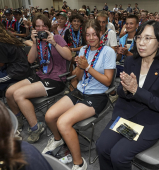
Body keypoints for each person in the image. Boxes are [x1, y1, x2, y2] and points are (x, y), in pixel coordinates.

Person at [96, 20, 159, 170]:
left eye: (147, 38)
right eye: (139, 37)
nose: (141, 43)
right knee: (102, 147)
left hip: (149, 121)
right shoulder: (132, 60)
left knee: (119, 155)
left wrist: (136, 90)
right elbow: (120, 91)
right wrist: (126, 89)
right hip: (127, 115)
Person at [42, 19, 116, 170]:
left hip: (97, 96)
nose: (91, 38)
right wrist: (80, 67)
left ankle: (79, 163)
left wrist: (87, 66)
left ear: (100, 34)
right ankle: (58, 139)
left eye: (94, 34)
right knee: (49, 116)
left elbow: (108, 82)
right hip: (80, 91)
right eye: (88, 35)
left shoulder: (108, 52)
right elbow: (79, 78)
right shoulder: (84, 50)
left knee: (62, 122)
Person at [5, 13, 72, 143]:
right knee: (9, 92)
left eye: (44, 26)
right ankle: (19, 118)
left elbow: (69, 57)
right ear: (34, 28)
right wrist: (35, 43)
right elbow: (30, 60)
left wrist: (54, 43)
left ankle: (36, 127)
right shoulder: (38, 41)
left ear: (48, 26)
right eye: (38, 26)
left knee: (19, 94)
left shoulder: (57, 37)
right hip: (41, 75)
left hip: (56, 79)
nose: (41, 29)